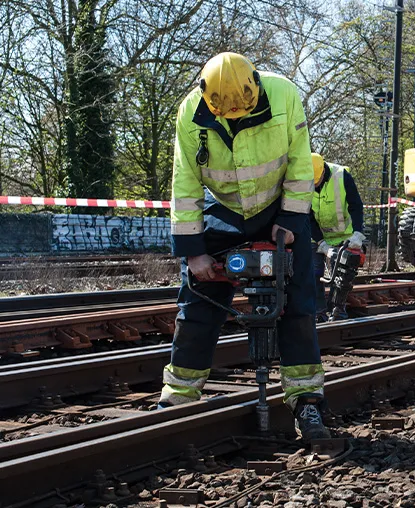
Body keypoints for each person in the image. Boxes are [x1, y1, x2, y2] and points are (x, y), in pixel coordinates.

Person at [163, 52, 329, 440]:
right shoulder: (190, 113)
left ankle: (307, 401)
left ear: (255, 86)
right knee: (198, 303)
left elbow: (301, 165)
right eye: (227, 112)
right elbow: (185, 185)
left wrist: (290, 222)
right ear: (209, 100)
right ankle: (178, 397)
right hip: (224, 210)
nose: (235, 115)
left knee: (297, 305)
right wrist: (194, 251)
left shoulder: (285, 95)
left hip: (279, 209)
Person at [310, 153, 365, 321]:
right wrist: (322, 244)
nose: (314, 185)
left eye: (316, 181)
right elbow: (307, 216)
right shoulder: (301, 181)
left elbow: (356, 205)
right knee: (313, 272)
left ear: (323, 173)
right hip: (318, 237)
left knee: (343, 275)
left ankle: (337, 310)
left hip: (345, 236)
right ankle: (318, 312)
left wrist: (357, 234)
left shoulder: (341, 176)